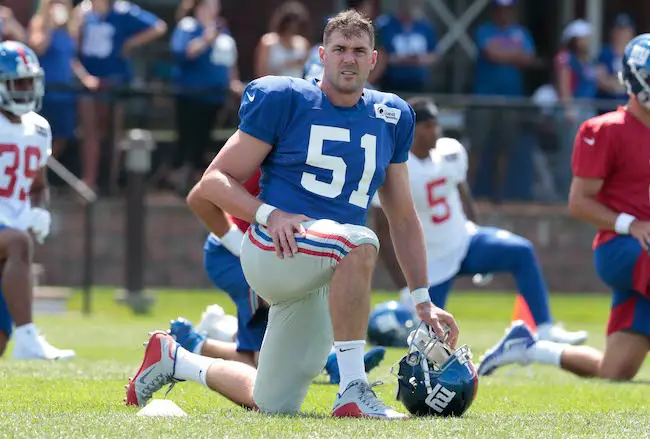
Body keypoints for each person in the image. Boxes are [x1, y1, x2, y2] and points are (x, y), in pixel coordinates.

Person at [126, 10, 458, 419]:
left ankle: (175, 359)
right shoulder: (286, 99)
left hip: (324, 270)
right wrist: (268, 214)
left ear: (374, 60)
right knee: (361, 240)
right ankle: (353, 389)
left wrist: (423, 300)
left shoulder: (392, 116)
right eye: (339, 49)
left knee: (272, 403)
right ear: (322, 55)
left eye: (359, 50)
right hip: (275, 250)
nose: (348, 59)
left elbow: (404, 218)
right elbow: (212, 182)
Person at [477, 34, 650, 381]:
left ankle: (530, 347)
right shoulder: (605, 130)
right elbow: (579, 202)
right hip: (622, 247)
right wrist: (630, 224)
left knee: (614, 370)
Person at [371, 97, 588, 345]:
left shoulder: (450, 150)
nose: (435, 131)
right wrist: (405, 286)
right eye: (428, 126)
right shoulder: (396, 167)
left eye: (436, 124)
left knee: (521, 251)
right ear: (412, 129)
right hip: (431, 264)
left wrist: (475, 227)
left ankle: (545, 327)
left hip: (464, 241)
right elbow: (384, 232)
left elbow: (464, 196)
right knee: (427, 339)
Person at [172, 168, 385, 382]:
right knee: (265, 365)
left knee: (265, 349)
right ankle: (332, 358)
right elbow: (199, 198)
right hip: (233, 254)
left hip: (272, 254)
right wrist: (244, 248)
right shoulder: (274, 149)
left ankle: (200, 339)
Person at [0, 41, 74, 360]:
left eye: (29, 81)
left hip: (10, 234)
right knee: (18, 243)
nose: (25, 89)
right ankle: (29, 338)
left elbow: (37, 183)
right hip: (9, 237)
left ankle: (20, 338)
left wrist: (39, 210)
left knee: (1, 341)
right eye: (17, 83)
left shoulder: (39, 127)